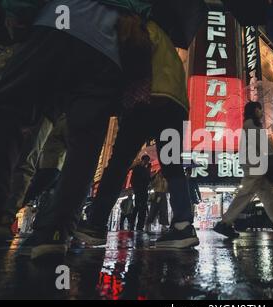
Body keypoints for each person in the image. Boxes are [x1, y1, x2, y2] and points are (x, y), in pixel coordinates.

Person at [0, 0, 149, 259]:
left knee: (8, 110)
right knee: (85, 144)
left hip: (56, 29)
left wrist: (18, 11)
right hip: (108, 52)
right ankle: (55, 232)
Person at [74, 16, 199, 249]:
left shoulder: (140, 26)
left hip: (145, 102)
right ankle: (183, 226)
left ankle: (96, 223)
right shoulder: (167, 42)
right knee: (172, 165)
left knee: (119, 162)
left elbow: (134, 60)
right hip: (176, 106)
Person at [213, 101, 273, 239]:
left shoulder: (249, 126)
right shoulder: (251, 126)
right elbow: (265, 146)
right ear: (255, 110)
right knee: (246, 193)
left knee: (268, 194)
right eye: (260, 109)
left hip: (254, 164)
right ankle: (225, 223)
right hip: (254, 165)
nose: (262, 113)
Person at [130, 155, 152, 231]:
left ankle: (140, 226)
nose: (147, 162)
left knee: (143, 208)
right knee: (137, 207)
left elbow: (149, 180)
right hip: (139, 190)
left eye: (148, 160)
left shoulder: (147, 170)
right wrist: (135, 189)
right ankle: (132, 224)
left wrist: (149, 171)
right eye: (145, 160)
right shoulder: (137, 168)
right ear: (142, 160)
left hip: (144, 191)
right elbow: (132, 180)